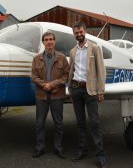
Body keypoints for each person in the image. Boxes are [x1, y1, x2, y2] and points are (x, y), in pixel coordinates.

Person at [68, 22, 108, 168]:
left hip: (90, 90)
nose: (79, 34)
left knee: (95, 123)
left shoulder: (95, 48)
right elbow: (72, 70)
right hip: (76, 89)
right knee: (80, 123)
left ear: (85, 31)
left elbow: (101, 70)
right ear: (74, 34)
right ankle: (82, 150)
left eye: (80, 32)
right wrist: (70, 90)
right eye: (76, 33)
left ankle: (101, 155)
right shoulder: (73, 51)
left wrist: (100, 90)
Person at [31, 31, 70, 159]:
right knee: (39, 123)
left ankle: (58, 148)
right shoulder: (36, 59)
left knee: (58, 123)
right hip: (41, 95)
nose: (49, 42)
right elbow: (34, 76)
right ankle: (39, 148)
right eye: (46, 40)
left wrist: (52, 84)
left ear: (54, 41)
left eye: (51, 39)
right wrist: (44, 85)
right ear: (43, 42)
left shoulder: (62, 58)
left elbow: (66, 76)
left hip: (57, 95)